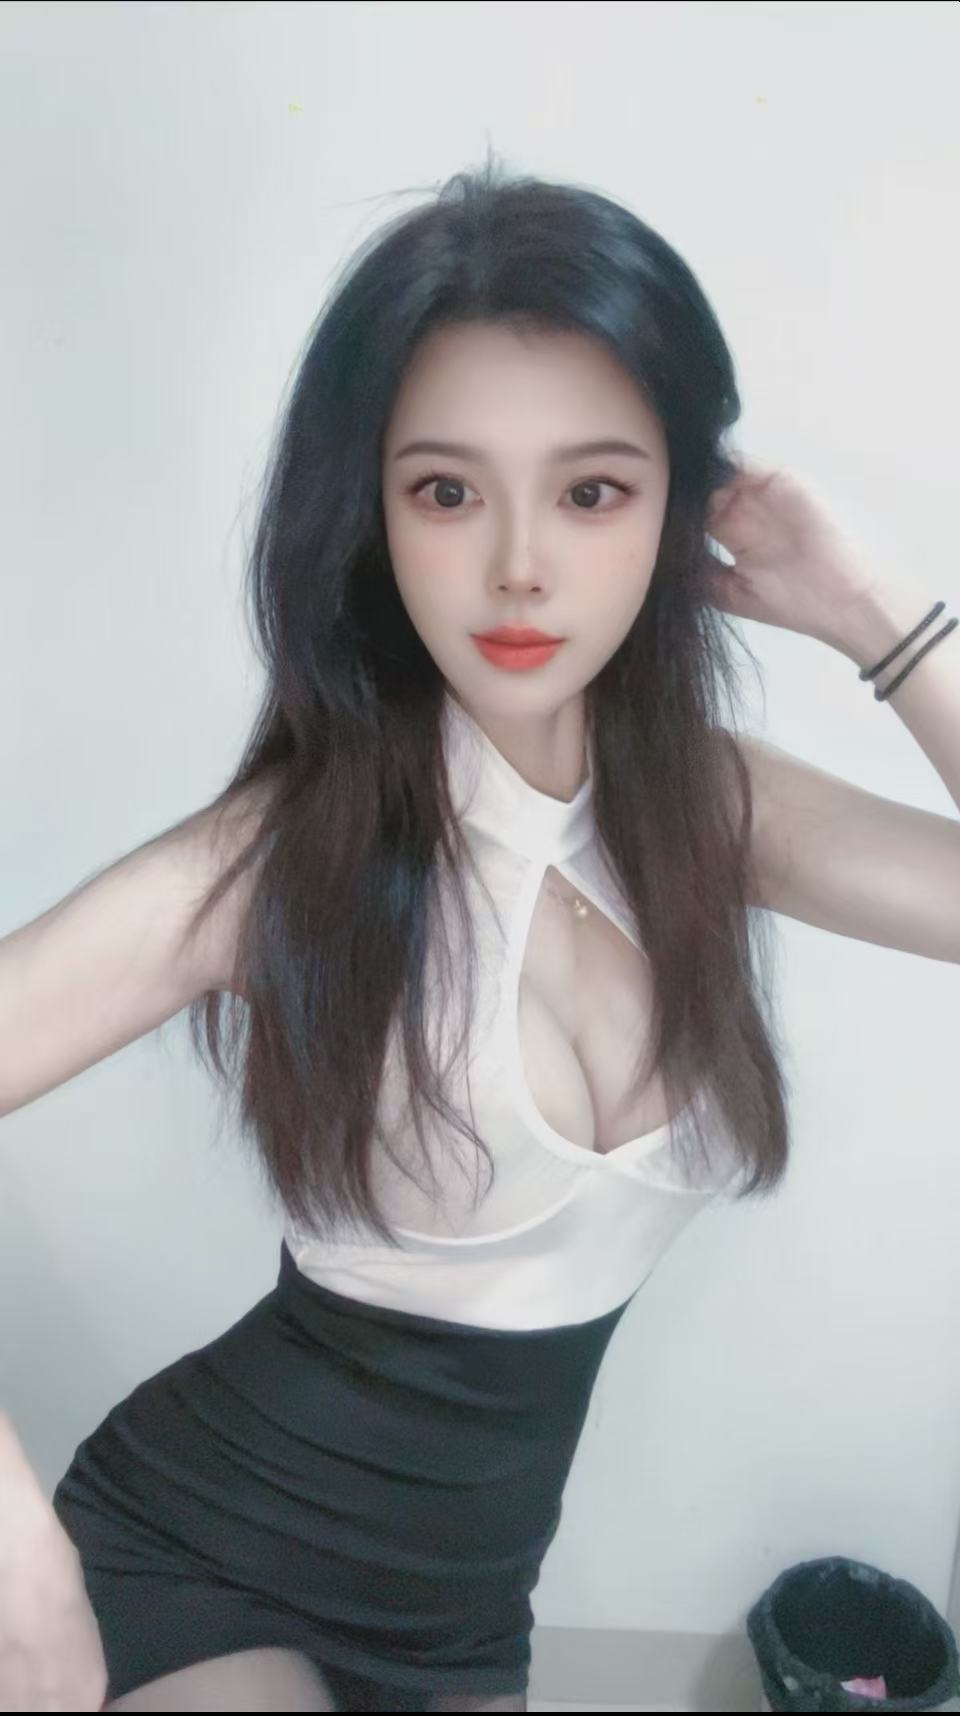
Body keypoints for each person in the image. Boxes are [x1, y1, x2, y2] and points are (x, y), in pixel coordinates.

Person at [1, 150, 789, 1713]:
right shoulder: (279, 859)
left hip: (462, 1625)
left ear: (679, 509)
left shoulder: (709, 806)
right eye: (446, 491)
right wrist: (21, 1569)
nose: (518, 566)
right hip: (196, 1563)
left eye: (593, 491)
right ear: (369, 513)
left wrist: (869, 608)